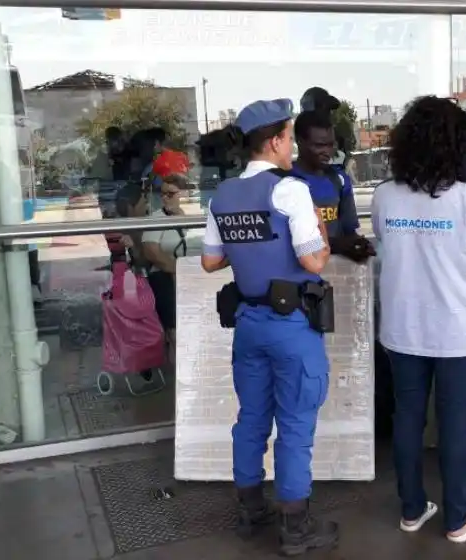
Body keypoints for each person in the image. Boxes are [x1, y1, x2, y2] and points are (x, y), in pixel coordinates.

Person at [371, 96, 466, 543]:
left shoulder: (383, 195)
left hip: (401, 328)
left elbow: (383, 242)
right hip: (455, 332)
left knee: (408, 417)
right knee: (454, 423)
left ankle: (412, 510)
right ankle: (457, 519)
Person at [201, 98, 338, 556]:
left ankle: (250, 510)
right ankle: (296, 529)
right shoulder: (291, 190)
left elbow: (210, 261)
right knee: (296, 423)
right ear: (277, 140)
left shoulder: (222, 195)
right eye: (290, 136)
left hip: (249, 324)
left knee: (252, 418)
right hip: (291, 325)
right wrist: (319, 226)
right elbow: (313, 260)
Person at [292, 110, 375, 261]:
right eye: (319, 145)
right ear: (299, 142)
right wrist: (337, 245)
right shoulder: (283, 182)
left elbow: (349, 231)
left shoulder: (339, 179)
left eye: (331, 145)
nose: (327, 152)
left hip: (335, 273)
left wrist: (358, 246)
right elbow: (286, 244)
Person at [142, 150, 189, 366]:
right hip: (167, 277)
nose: (165, 198)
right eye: (163, 194)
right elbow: (151, 251)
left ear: (183, 195)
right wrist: (178, 271)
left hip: (195, 275)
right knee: (175, 331)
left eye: (171, 193)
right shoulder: (157, 218)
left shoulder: (196, 215)